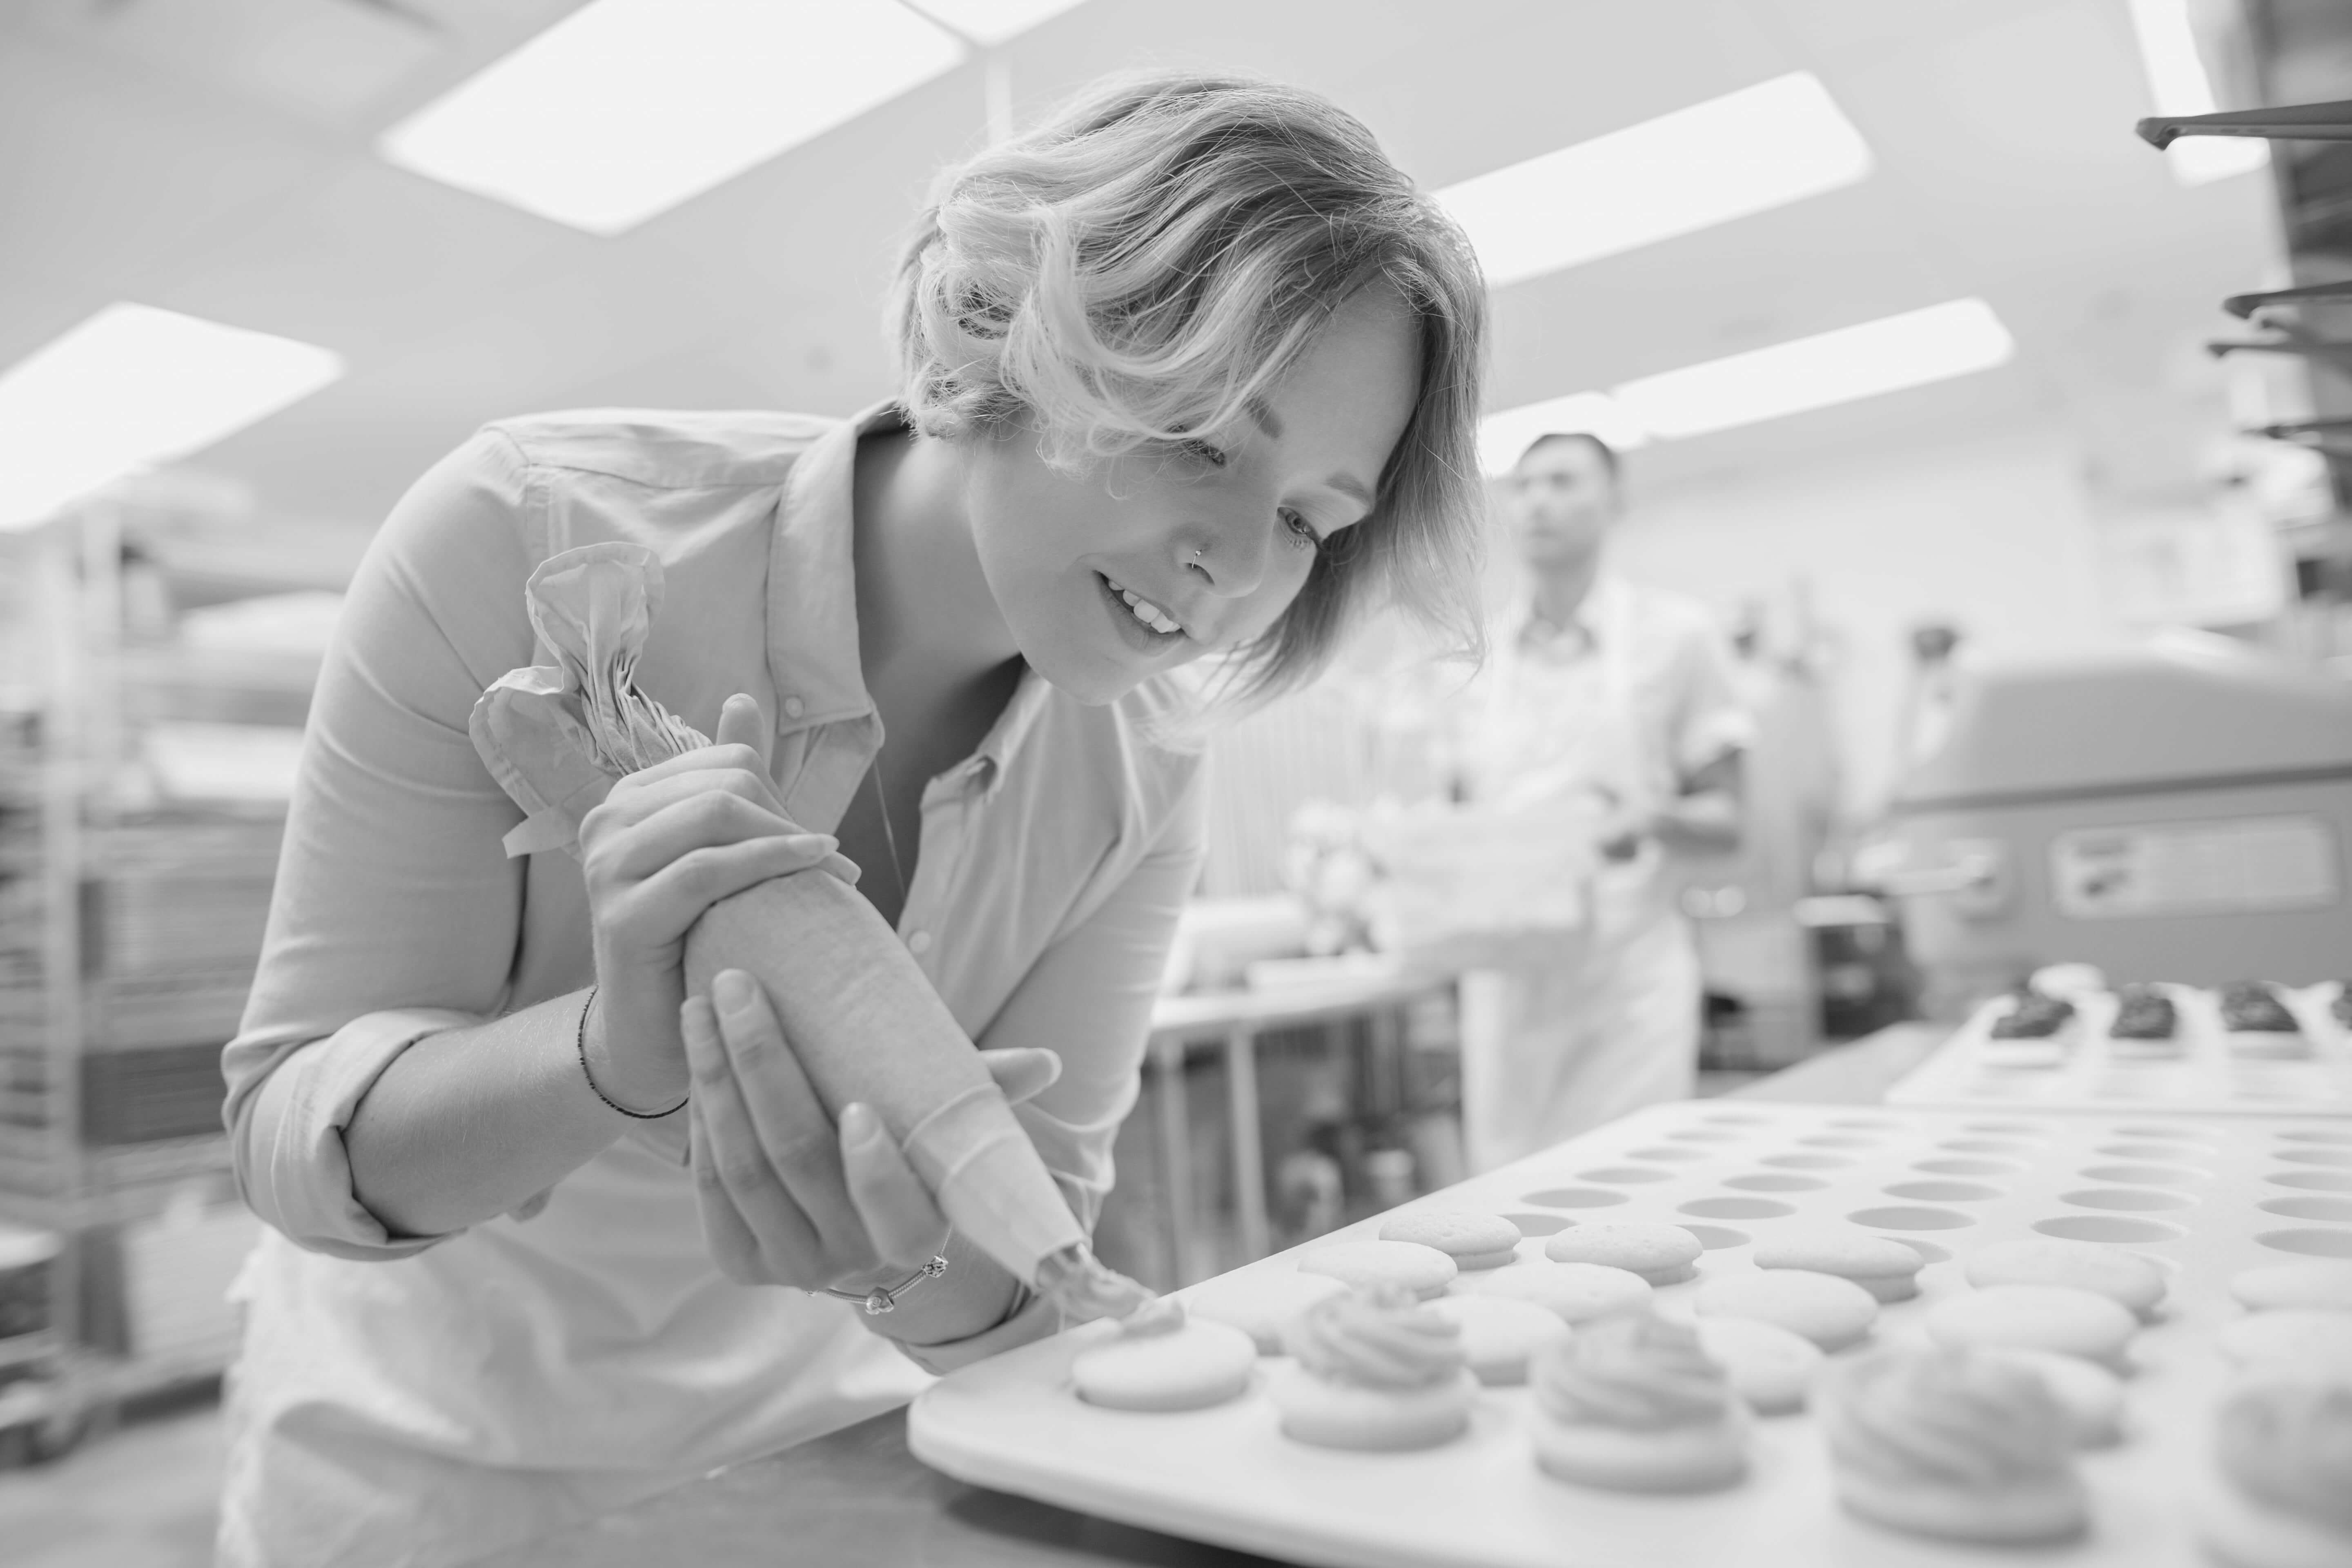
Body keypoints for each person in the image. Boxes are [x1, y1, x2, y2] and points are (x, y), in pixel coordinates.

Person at [215, 73, 1487, 1566]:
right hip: (424, 1477)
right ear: (1004, 322)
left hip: (814, 1472)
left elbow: (1025, 1271)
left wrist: (900, 1267)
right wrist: (612, 1063)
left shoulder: (1142, 768)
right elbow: (297, 1136)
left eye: (1307, 522)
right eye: (1203, 437)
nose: (1234, 570)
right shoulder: (524, 533)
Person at [1455, 431, 1750, 1171]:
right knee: (1507, 1206)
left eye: (1562, 482)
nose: (1537, 503)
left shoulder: (1678, 638)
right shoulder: (1471, 664)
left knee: (1633, 1194)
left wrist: (1652, 818)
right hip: (1506, 990)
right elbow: (1457, 822)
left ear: (1616, 502)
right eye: (1522, 487)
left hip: (1628, 983)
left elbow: (1731, 819)